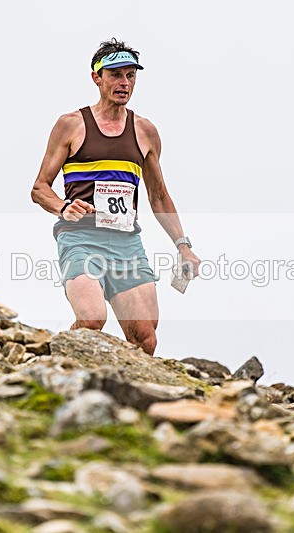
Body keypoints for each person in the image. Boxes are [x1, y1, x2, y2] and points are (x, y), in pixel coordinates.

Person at [31, 38, 199, 355]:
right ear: (97, 78)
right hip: (80, 236)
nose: (124, 83)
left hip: (126, 242)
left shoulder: (145, 131)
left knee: (145, 338)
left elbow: (159, 195)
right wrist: (63, 206)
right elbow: (39, 188)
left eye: (130, 75)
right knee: (92, 318)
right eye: (115, 75)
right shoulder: (71, 125)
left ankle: (121, 398)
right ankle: (56, 364)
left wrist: (183, 246)